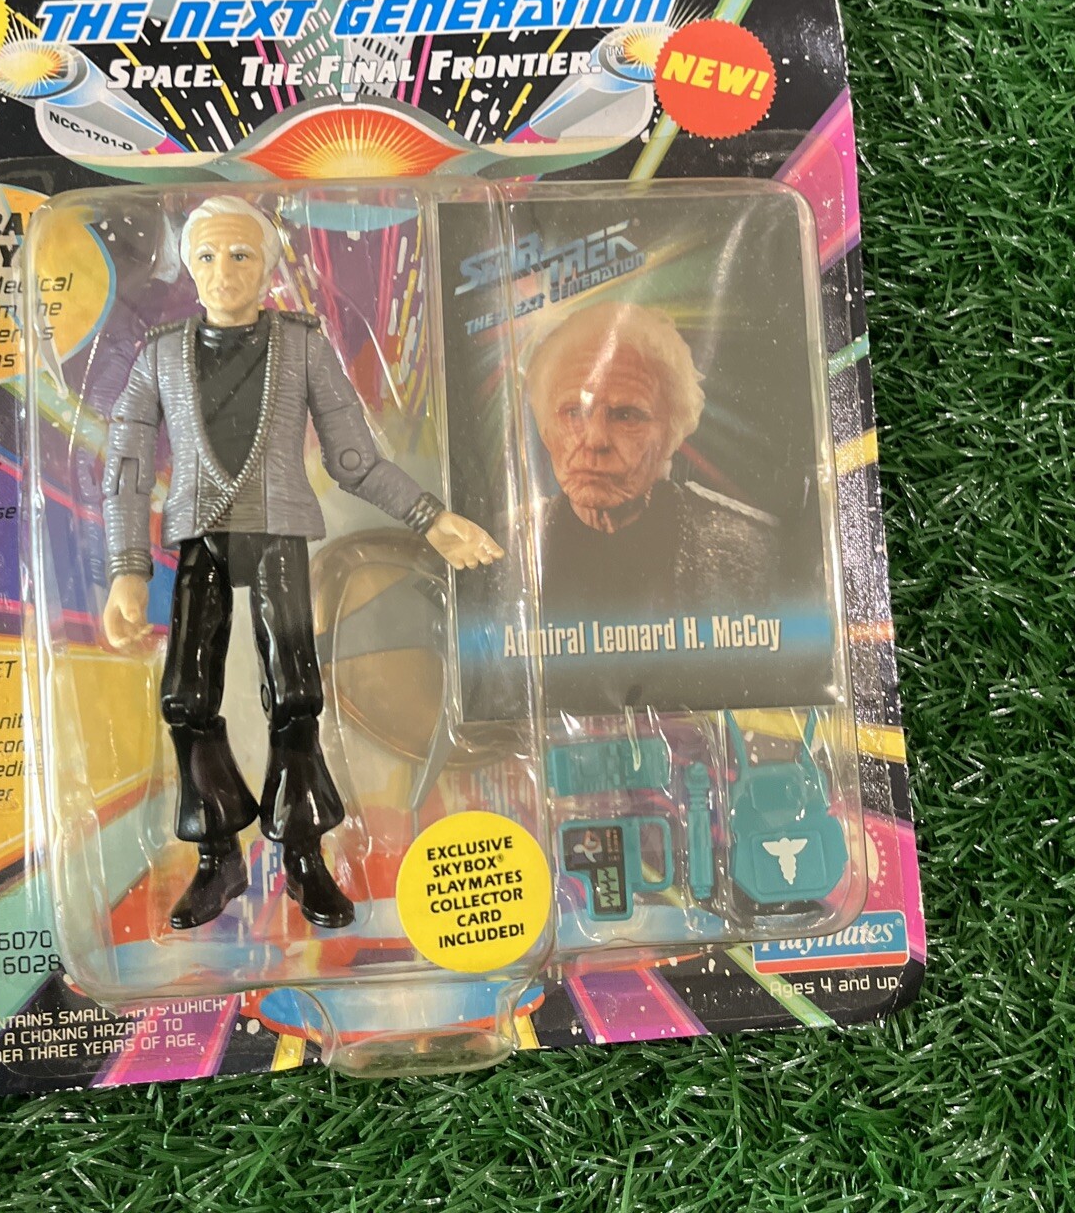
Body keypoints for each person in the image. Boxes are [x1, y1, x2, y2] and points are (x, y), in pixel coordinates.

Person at [102, 195, 501, 931]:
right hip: (201, 537)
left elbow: (353, 459)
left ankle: (304, 854)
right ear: (188, 265)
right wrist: (128, 568)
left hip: (280, 532)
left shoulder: (302, 346)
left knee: (294, 694)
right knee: (185, 697)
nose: (224, 272)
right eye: (207, 256)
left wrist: (431, 518)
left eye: (241, 255)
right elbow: (125, 464)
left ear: (267, 268)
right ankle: (218, 853)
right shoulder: (159, 354)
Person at [525, 301, 776, 706]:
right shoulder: (498, 555)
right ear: (545, 428)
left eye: (626, 415)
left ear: (672, 435)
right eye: (573, 411)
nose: (595, 440)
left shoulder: (751, 551)